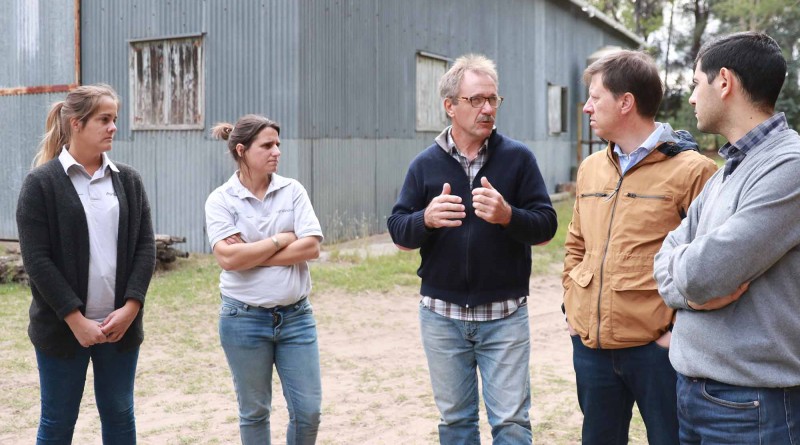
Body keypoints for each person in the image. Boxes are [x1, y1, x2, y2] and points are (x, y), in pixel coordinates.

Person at [387, 54, 557, 444]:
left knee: (511, 423)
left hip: (504, 316)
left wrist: (508, 215)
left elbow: (547, 227)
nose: (488, 108)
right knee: (455, 423)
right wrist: (426, 218)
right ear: (450, 106)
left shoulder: (518, 159)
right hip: (441, 317)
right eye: (476, 99)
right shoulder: (424, 164)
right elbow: (398, 232)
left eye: (493, 99)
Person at [562, 50, 717, 444]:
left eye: (595, 98)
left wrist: (677, 330)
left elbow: (712, 263)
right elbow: (576, 244)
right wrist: (571, 308)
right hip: (592, 349)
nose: (587, 107)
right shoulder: (591, 168)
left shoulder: (694, 171)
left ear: (625, 102)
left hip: (658, 351)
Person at [653, 31, 800, 443]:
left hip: (753, 406)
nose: (692, 98)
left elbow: (704, 272)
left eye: (695, 84)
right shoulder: (727, 172)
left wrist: (688, 279)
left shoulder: (788, 167)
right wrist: (690, 292)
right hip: (695, 393)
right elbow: (665, 257)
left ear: (724, 81)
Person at [16, 83, 156, 444]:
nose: (113, 127)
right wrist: (75, 319)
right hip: (62, 329)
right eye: (104, 119)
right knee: (58, 421)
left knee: (120, 415)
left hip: (119, 327)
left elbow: (145, 247)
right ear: (76, 123)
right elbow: (37, 260)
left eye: (114, 119)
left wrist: (131, 307)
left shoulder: (129, 181)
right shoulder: (41, 184)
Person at [205, 114, 324, 445]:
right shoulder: (221, 200)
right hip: (243, 319)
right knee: (254, 412)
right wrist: (281, 240)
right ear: (242, 150)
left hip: (296, 318)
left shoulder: (292, 191)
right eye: (267, 145)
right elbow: (228, 259)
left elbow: (311, 247)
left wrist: (251, 255)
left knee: (309, 412)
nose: (276, 152)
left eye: (278, 145)